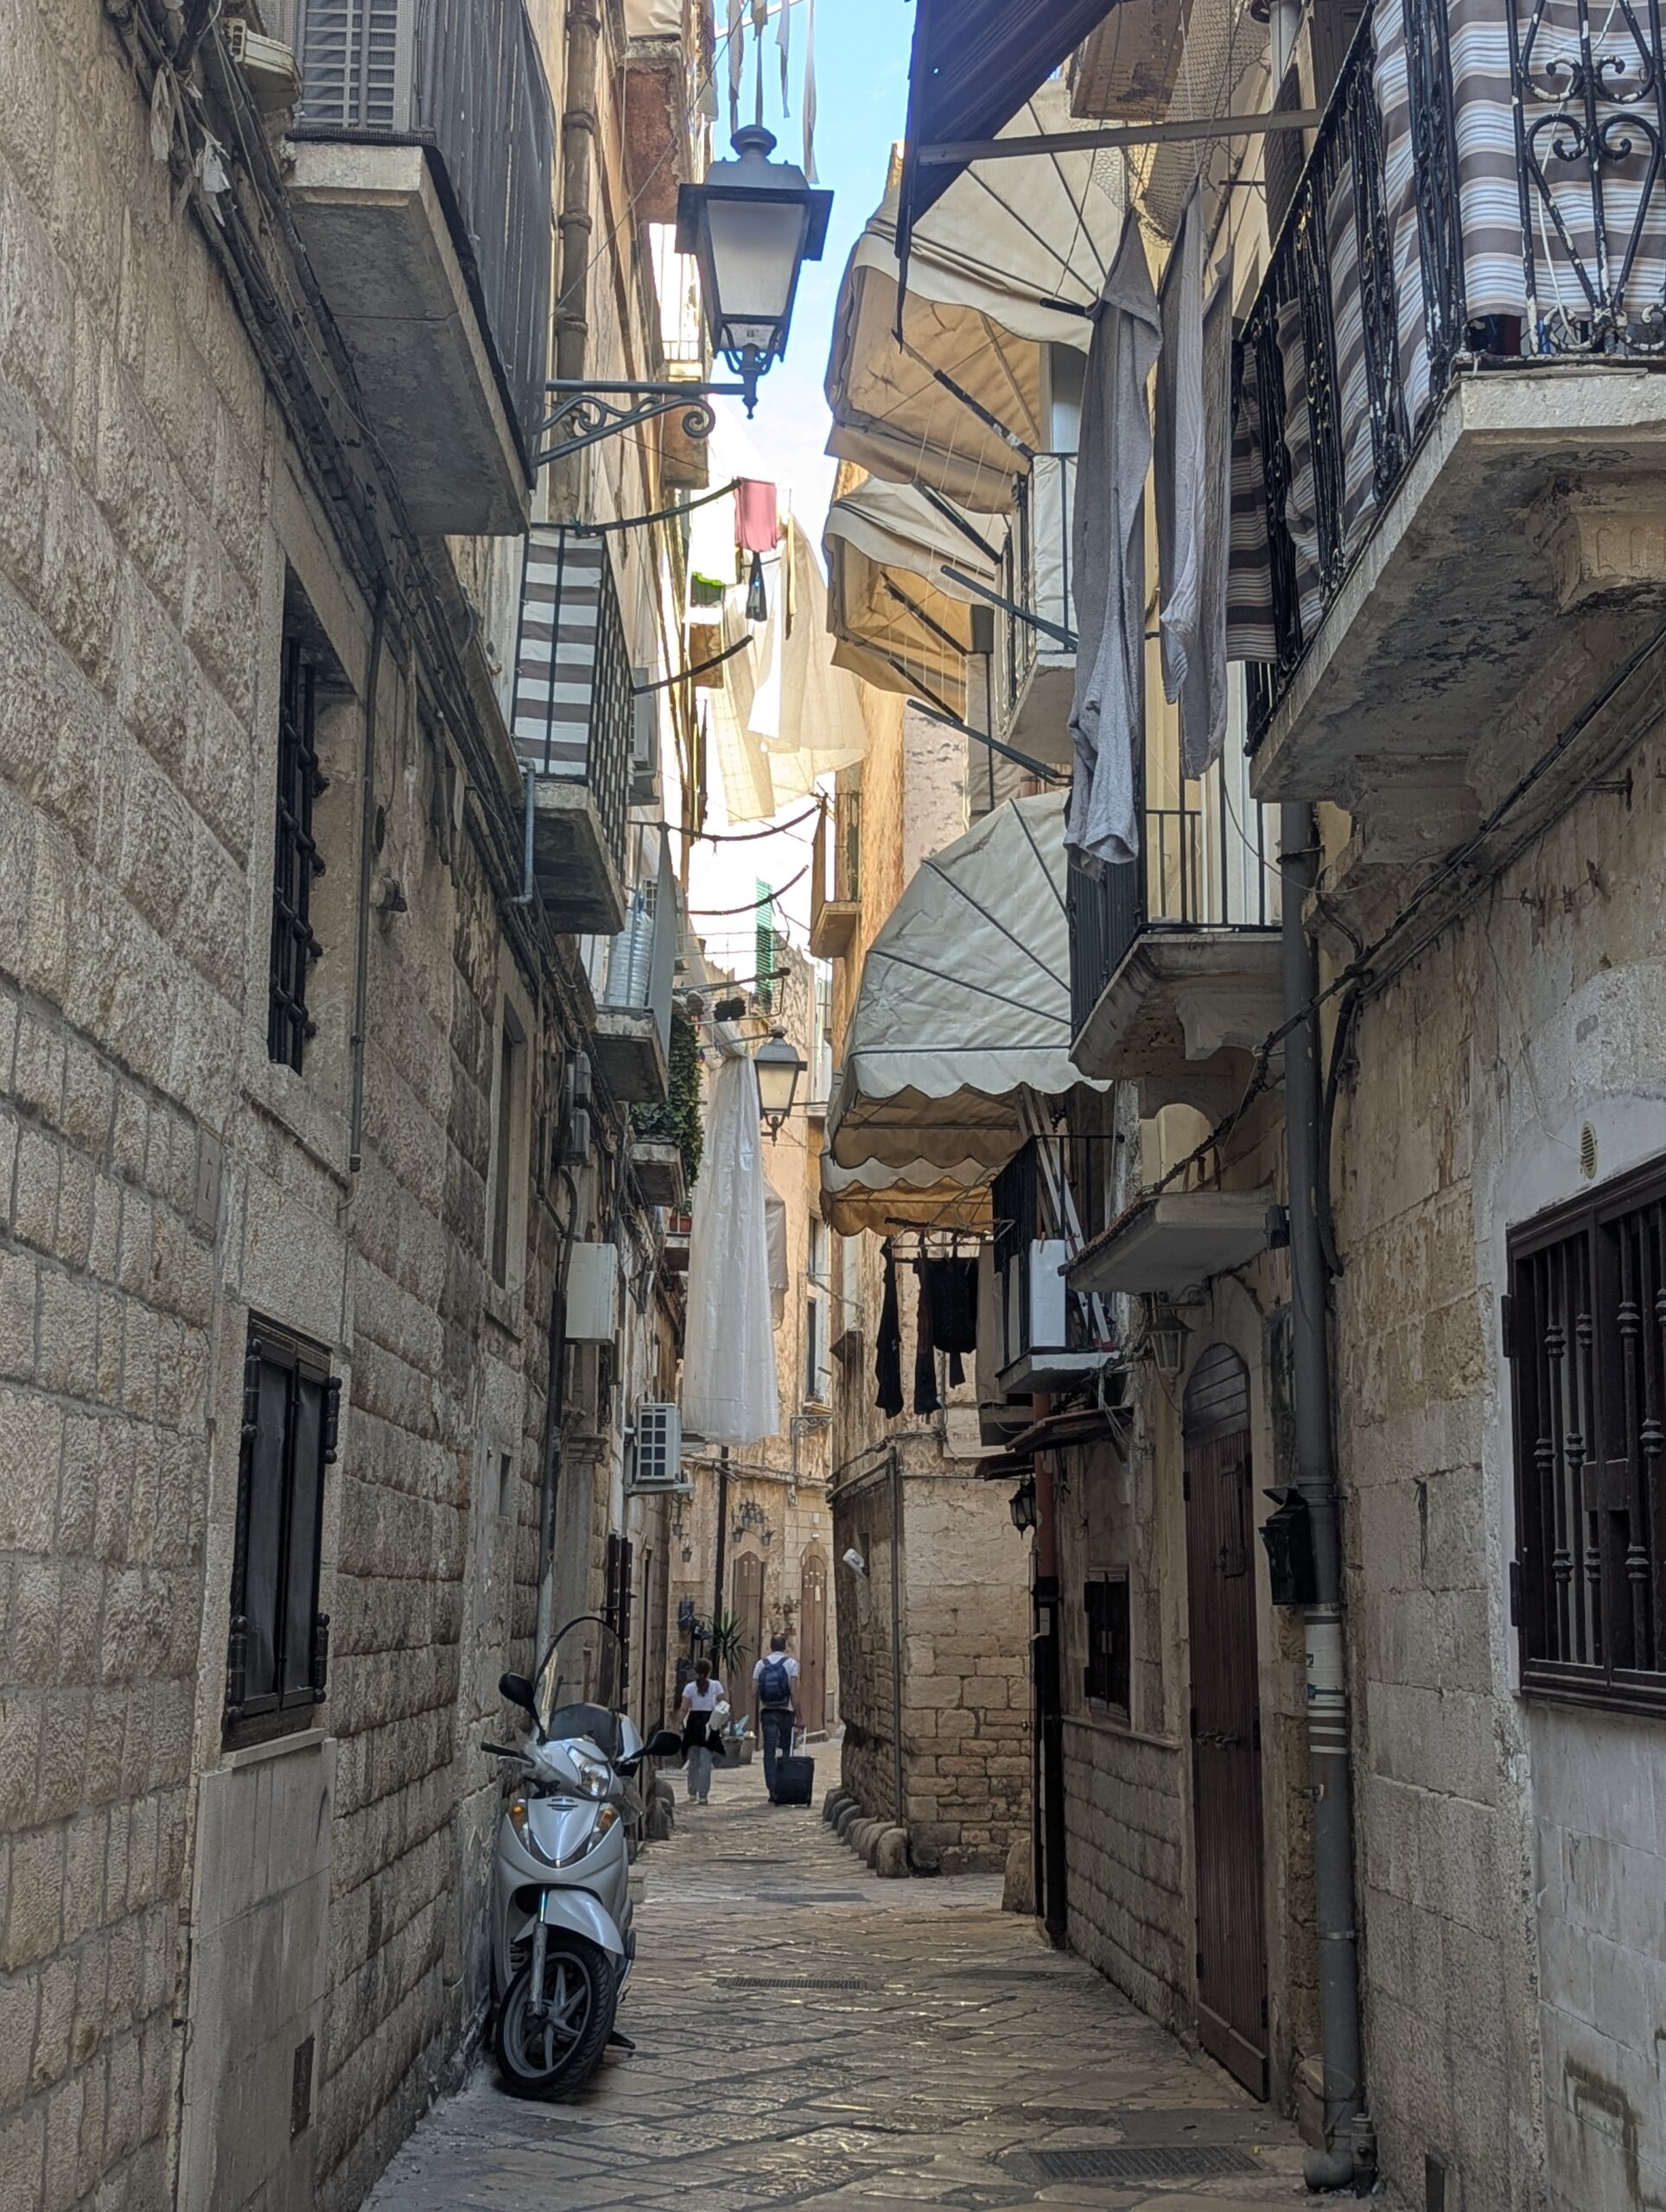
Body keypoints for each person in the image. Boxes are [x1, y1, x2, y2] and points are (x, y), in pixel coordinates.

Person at [752, 1633, 800, 1802]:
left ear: (771, 1646)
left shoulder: (760, 1664)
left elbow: (753, 1691)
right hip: (785, 1711)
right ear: (784, 1646)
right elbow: (793, 1691)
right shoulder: (791, 1664)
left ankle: (772, 1790)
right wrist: (799, 1715)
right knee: (786, 1749)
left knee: (769, 1751)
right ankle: (784, 1785)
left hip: (768, 1712)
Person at [679, 1659, 724, 1805]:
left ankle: (692, 1792)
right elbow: (723, 1704)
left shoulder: (689, 1688)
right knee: (706, 1761)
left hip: (694, 1723)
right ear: (709, 1671)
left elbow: (684, 1708)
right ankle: (703, 1795)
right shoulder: (716, 1686)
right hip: (709, 1723)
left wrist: (678, 1723)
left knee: (693, 1760)